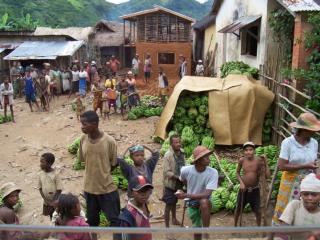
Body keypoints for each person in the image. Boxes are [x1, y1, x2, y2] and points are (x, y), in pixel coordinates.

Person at [272, 112, 320, 226]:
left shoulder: (314, 143)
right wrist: (305, 166)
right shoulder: (288, 143)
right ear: (303, 130)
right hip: (290, 182)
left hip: (308, 183)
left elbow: (313, 162)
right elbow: (282, 166)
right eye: (312, 130)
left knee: (305, 209)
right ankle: (282, 234)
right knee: (286, 209)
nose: (315, 132)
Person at [78, 110, 120, 227]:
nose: (82, 127)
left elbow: (114, 164)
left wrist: (102, 174)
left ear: (95, 124)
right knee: (91, 222)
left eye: (84, 124)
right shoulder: (83, 139)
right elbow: (82, 160)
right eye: (81, 124)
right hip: (89, 189)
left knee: (115, 221)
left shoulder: (109, 141)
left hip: (107, 189)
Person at [176, 146, 218, 240]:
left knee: (203, 201)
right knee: (197, 231)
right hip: (192, 203)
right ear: (198, 160)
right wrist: (184, 190)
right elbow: (182, 180)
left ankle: (206, 231)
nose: (208, 158)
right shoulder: (185, 170)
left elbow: (207, 194)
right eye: (205, 156)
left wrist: (186, 194)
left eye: (208, 155)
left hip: (207, 202)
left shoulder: (213, 172)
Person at [234, 142, 270, 227]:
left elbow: (267, 176)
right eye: (246, 150)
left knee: (258, 211)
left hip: (255, 190)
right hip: (243, 189)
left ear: (254, 151)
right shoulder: (242, 160)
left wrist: (266, 162)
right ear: (243, 152)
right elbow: (237, 173)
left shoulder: (259, 160)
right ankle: (235, 226)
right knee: (238, 209)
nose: (248, 152)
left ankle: (258, 228)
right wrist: (241, 183)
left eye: (250, 150)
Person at [279, 173, 320, 240]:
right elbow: (283, 227)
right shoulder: (295, 205)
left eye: (314, 195)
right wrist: (311, 232)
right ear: (301, 194)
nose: (309, 198)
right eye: (306, 194)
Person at [117, 175, 153, 240]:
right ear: (131, 193)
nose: (144, 194)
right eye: (140, 191)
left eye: (147, 190)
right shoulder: (126, 217)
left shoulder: (144, 204)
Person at [162, 134, 185, 228]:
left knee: (175, 201)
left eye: (179, 142)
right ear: (171, 144)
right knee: (168, 205)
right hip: (170, 184)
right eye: (176, 142)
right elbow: (166, 172)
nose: (178, 144)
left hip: (179, 183)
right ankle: (167, 227)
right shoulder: (168, 155)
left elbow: (184, 165)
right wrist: (177, 177)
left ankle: (174, 219)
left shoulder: (182, 152)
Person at [38, 152, 62, 220]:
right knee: (51, 216)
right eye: (40, 162)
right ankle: (53, 228)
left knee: (57, 216)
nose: (40, 164)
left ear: (49, 164)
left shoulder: (55, 174)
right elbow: (40, 188)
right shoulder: (40, 174)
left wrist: (54, 201)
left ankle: (58, 228)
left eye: (42, 162)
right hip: (46, 202)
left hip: (55, 201)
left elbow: (59, 189)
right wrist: (46, 200)